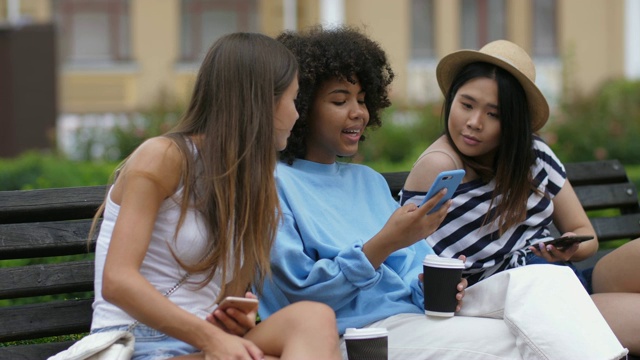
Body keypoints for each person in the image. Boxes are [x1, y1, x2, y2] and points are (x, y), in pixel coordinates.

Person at [258, 26, 627, 360]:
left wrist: (441, 287)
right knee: (521, 341)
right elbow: (301, 298)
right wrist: (383, 244)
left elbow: (415, 271)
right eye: (340, 101)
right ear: (301, 107)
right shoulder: (274, 185)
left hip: (418, 318)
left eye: (362, 99)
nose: (358, 113)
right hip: (358, 335)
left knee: (548, 279)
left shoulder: (366, 181)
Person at [87, 32, 341, 360]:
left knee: (314, 318)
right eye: (293, 100)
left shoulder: (255, 184)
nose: (296, 115)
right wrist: (211, 338)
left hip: (198, 346)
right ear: (262, 101)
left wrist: (232, 322)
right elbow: (117, 281)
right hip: (133, 342)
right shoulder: (164, 157)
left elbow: (224, 301)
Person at [400, 39, 640, 355]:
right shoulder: (440, 165)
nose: (474, 122)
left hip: (563, 279)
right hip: (523, 307)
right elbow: (409, 260)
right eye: (467, 104)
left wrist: (567, 246)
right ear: (451, 99)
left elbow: (586, 235)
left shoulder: (534, 156)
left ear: (514, 121)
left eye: (494, 114)